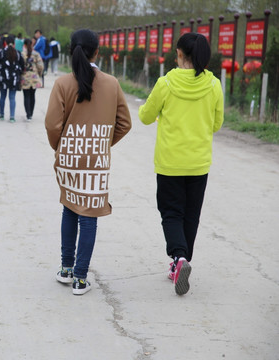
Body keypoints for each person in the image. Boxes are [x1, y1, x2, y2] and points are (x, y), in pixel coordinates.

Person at [45, 29, 132, 295]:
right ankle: (81, 279)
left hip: (69, 158)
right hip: (96, 160)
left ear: (72, 51)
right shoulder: (112, 83)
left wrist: (61, 147)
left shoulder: (62, 84)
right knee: (90, 215)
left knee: (70, 207)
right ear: (97, 52)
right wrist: (102, 144)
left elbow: (52, 124)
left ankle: (66, 269)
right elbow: (124, 124)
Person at [138, 33, 224, 296]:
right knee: (191, 214)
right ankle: (182, 260)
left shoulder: (166, 83)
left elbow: (145, 116)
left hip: (170, 163)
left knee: (171, 212)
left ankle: (179, 258)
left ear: (180, 55)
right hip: (199, 163)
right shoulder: (214, 86)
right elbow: (216, 124)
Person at [0, 35, 24, 123]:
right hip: (14, 78)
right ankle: (12, 116)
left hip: (3, 77)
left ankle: (1, 114)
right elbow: (22, 65)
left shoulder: (1, 52)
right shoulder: (18, 53)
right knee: (12, 97)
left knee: (2, 96)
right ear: (14, 43)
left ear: (5, 43)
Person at [21, 38, 43, 121]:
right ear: (32, 44)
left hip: (25, 77)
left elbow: (20, 66)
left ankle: (28, 114)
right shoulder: (36, 54)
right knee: (32, 95)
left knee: (26, 96)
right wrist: (39, 74)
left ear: (25, 45)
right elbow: (40, 66)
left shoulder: (22, 54)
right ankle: (31, 113)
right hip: (34, 77)